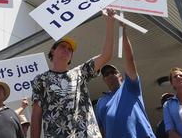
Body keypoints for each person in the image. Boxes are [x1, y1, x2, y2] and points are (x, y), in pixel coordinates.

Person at [30, 8, 116, 138]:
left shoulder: (80, 72)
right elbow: (36, 116)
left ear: (71, 57)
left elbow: (106, 55)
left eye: (70, 49)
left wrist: (110, 22)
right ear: (52, 51)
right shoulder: (41, 80)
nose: (67, 50)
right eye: (62, 46)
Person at [95, 26, 155, 137]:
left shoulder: (130, 87)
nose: (110, 75)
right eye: (106, 74)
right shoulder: (100, 102)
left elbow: (129, 60)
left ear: (120, 76)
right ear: (104, 80)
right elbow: (100, 129)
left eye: (113, 72)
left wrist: (123, 32)